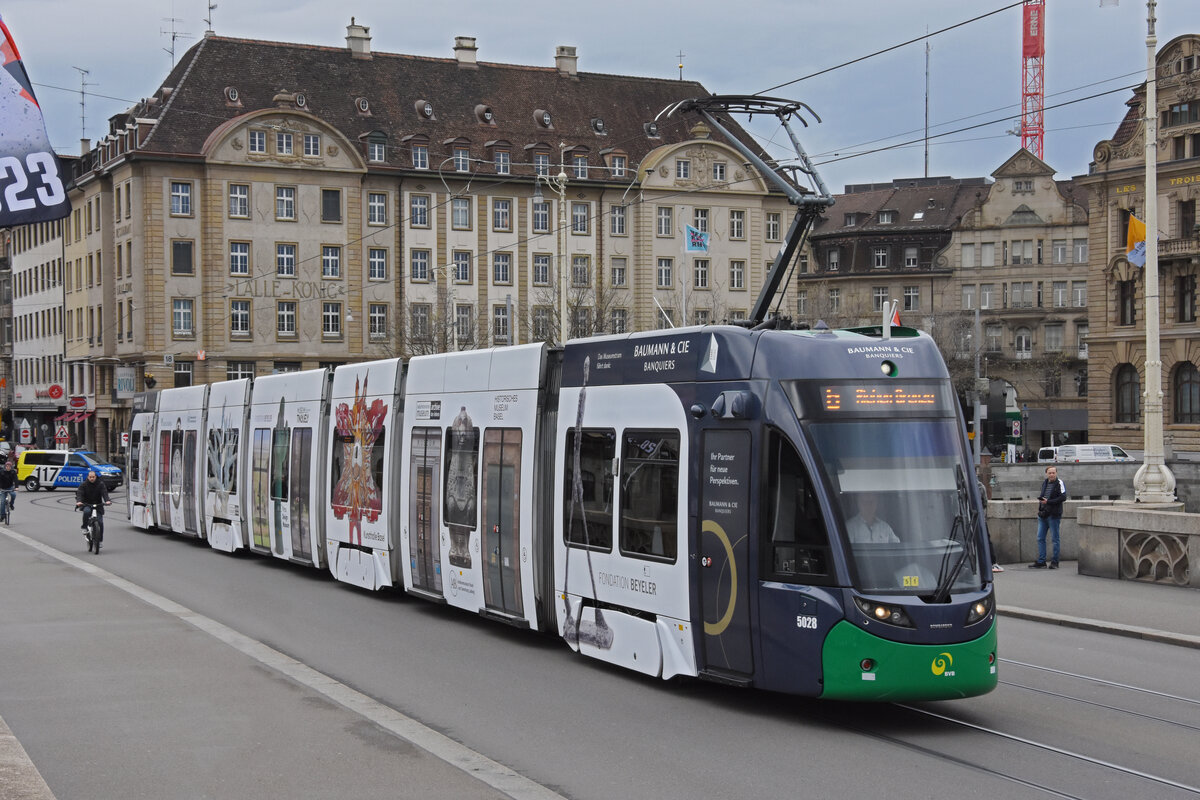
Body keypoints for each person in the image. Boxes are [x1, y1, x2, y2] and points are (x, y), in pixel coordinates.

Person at [1029, 465, 1066, 569]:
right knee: (1040, 538)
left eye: (1053, 473)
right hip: (1043, 514)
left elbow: (1063, 497)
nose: (1051, 475)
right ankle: (1042, 561)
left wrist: (1048, 501)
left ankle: (1055, 562)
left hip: (1054, 515)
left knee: (1055, 539)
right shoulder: (1045, 483)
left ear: (1056, 473)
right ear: (1046, 474)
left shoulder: (1059, 483)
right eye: (1050, 473)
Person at [75, 470, 112, 552]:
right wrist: (79, 501)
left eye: (93, 477)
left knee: (100, 522)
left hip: (98, 505)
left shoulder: (100, 484)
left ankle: (99, 541)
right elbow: (80, 493)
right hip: (87, 504)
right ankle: (84, 527)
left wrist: (107, 500)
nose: (92, 478)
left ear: (96, 477)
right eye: (90, 477)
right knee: (86, 512)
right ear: (88, 477)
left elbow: (104, 493)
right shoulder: (83, 484)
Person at [977, 469, 1002, 573]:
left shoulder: (964, 485)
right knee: (986, 540)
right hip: (980, 518)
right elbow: (985, 503)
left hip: (974, 519)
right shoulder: (980, 486)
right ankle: (992, 562)